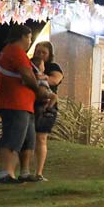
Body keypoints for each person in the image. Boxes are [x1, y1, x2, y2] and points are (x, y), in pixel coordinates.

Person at [0, 25, 56, 184]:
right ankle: (5, 173)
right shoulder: (15, 51)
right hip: (14, 103)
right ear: (23, 36)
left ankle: (23, 173)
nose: (30, 41)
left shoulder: (15, 52)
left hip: (24, 104)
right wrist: (38, 90)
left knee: (27, 140)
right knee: (13, 138)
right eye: (29, 38)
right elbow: (27, 75)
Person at [30, 42, 63, 181]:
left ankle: (39, 172)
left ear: (49, 54)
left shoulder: (53, 67)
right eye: (38, 51)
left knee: (41, 138)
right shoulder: (29, 65)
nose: (40, 55)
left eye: (44, 52)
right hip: (30, 103)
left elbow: (56, 80)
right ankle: (25, 171)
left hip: (46, 105)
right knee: (27, 137)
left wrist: (44, 77)